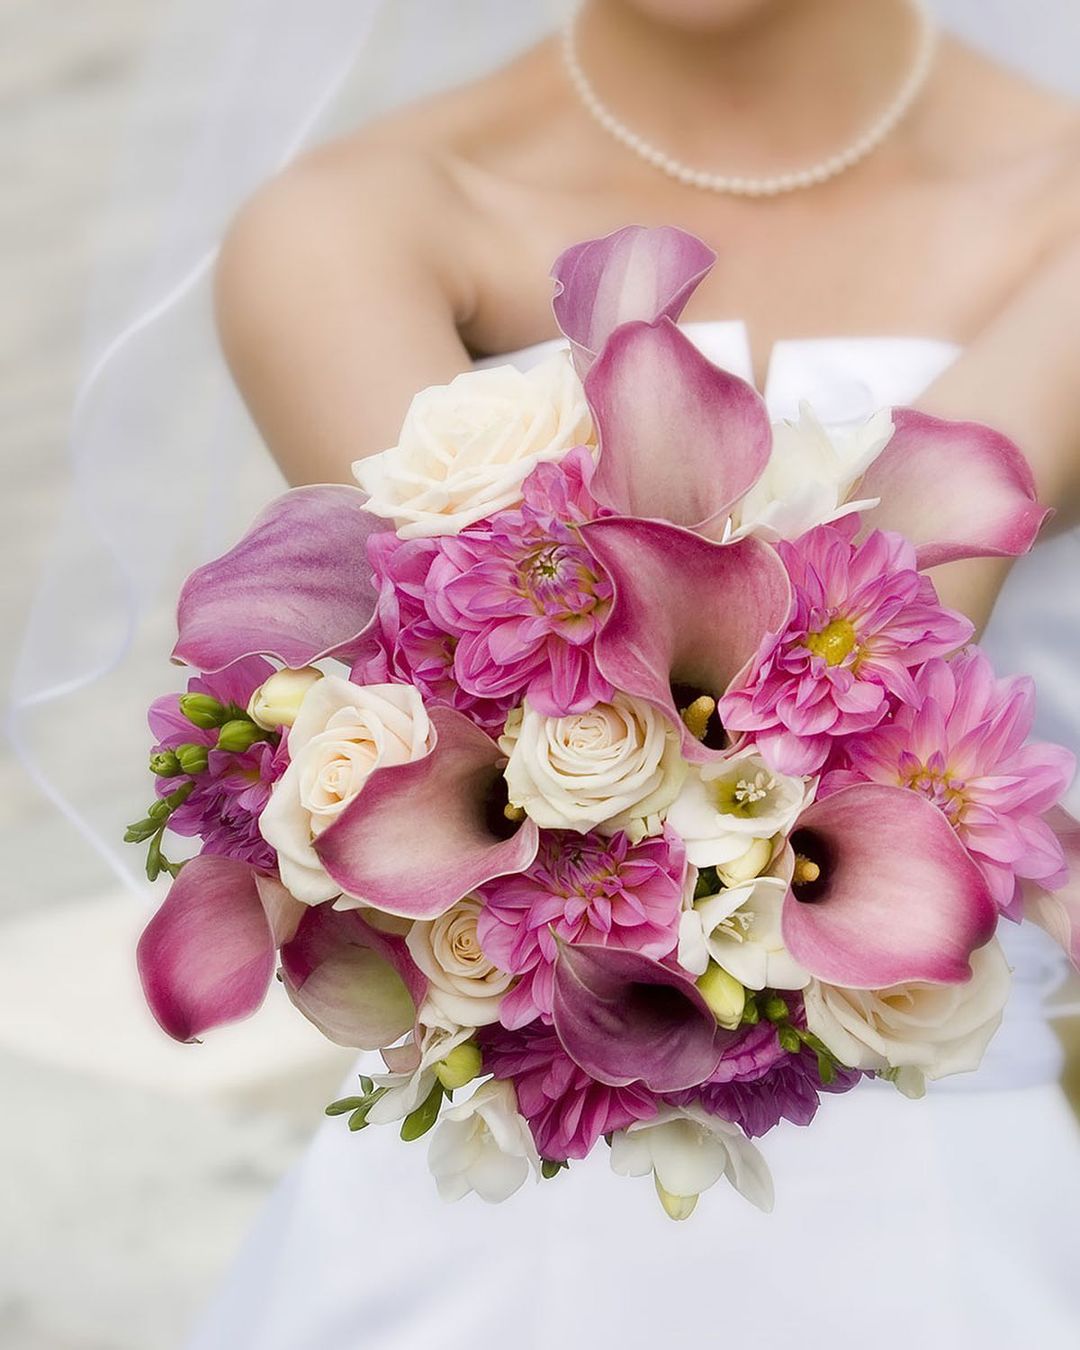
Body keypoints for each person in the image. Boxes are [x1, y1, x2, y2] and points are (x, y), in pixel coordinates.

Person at [180, 2, 1080, 1347]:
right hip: (493, 1217)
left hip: (949, 1196)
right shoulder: (361, 225)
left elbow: (863, 666)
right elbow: (664, 740)